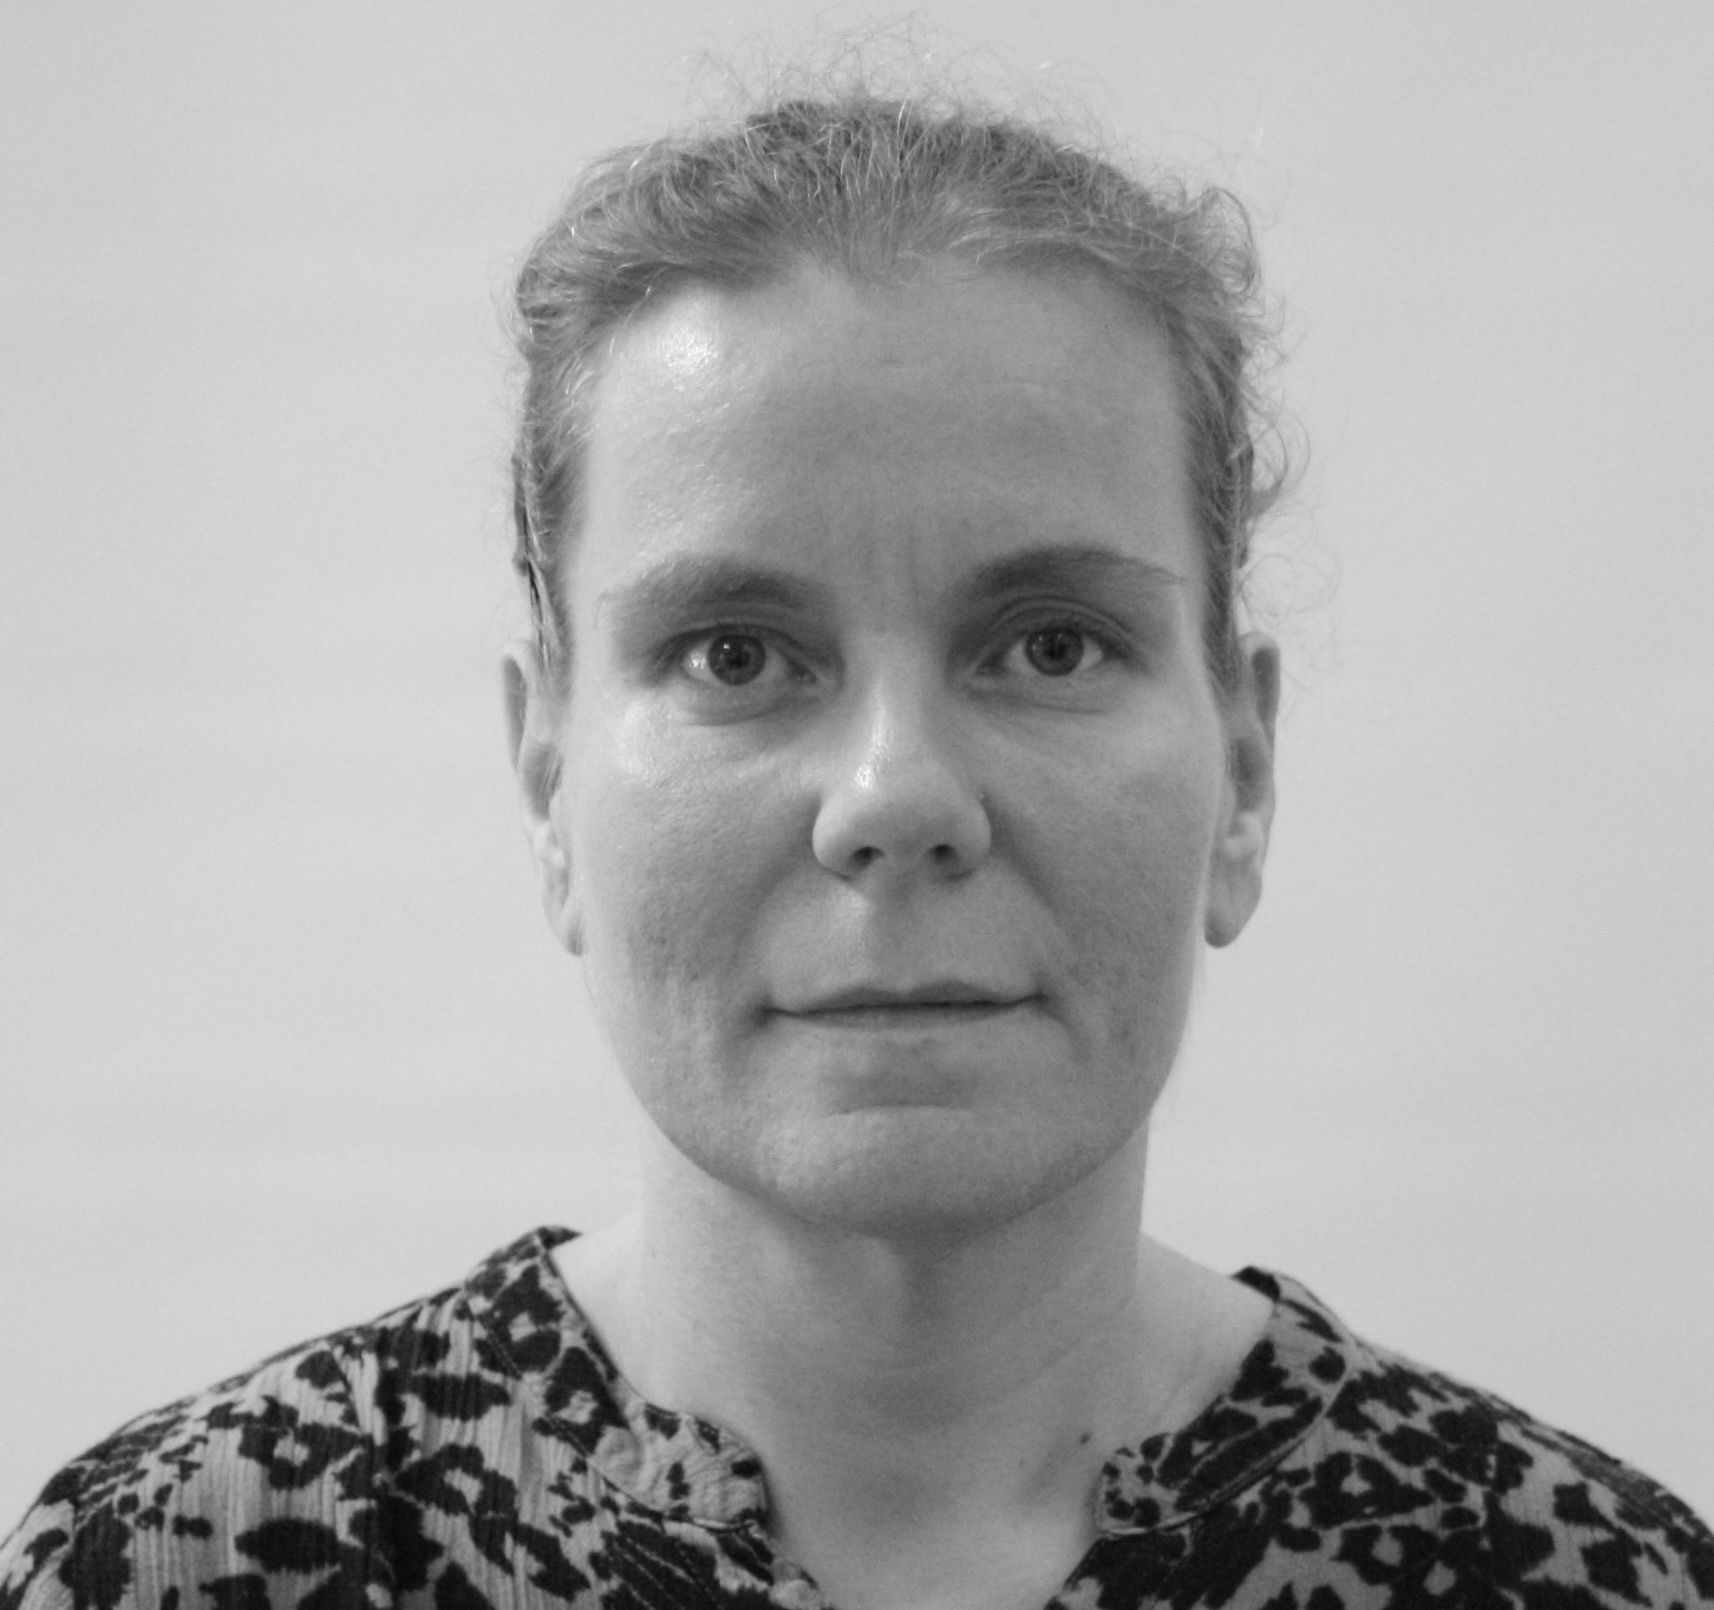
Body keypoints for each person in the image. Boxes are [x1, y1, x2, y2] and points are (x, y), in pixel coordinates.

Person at [3, 83, 1710, 1610]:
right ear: (546, 776)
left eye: (1049, 643)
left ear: (1242, 766)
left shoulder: (1571, 1574)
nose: (894, 795)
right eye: (735, 654)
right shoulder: (190, 1559)